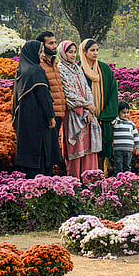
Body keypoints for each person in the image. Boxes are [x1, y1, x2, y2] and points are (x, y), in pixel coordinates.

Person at [57, 40, 101, 178]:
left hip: (86, 114)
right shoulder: (60, 69)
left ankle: (89, 180)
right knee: (76, 148)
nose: (73, 55)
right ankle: (74, 182)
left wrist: (88, 110)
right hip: (73, 115)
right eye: (70, 52)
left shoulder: (77, 69)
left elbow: (87, 90)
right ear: (63, 53)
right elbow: (67, 94)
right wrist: (86, 106)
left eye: (75, 52)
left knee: (88, 148)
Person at [12, 40, 56, 178]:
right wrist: (50, 116)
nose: (42, 55)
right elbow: (44, 97)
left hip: (24, 121)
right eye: (40, 51)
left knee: (28, 153)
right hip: (38, 120)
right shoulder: (36, 71)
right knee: (41, 155)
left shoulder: (21, 70)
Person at [79, 39, 118, 176]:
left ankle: (103, 176)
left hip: (102, 117)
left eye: (97, 50)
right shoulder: (78, 70)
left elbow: (113, 93)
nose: (95, 53)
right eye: (92, 50)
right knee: (85, 149)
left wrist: (105, 115)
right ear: (84, 52)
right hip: (85, 118)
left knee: (103, 148)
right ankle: (86, 177)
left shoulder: (105, 69)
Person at [36, 31, 67, 170]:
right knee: (46, 153)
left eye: (55, 42)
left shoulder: (54, 63)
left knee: (53, 151)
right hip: (49, 115)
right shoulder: (39, 64)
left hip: (59, 113)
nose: (55, 46)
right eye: (51, 43)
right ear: (42, 46)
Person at [112, 101, 139, 174]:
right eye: (123, 112)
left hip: (128, 149)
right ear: (118, 112)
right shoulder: (117, 122)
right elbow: (112, 121)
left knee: (127, 166)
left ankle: (127, 180)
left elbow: (136, 135)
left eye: (127, 112)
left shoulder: (131, 124)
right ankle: (118, 181)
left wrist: (137, 147)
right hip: (118, 149)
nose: (126, 115)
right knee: (118, 166)